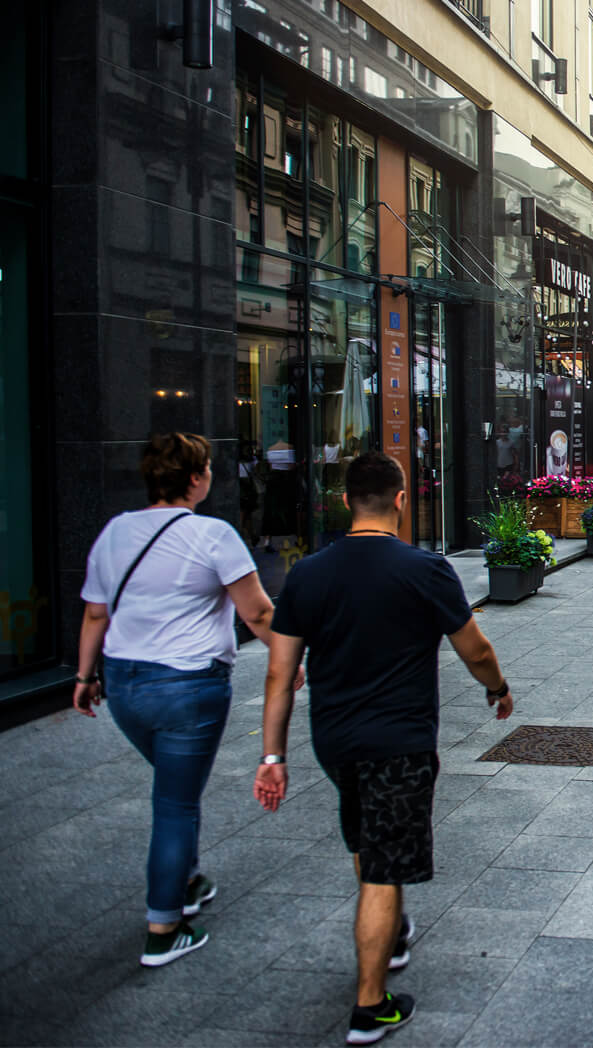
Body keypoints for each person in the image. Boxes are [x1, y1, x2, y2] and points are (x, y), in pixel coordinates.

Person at [254, 452, 513, 1044]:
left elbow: (279, 674)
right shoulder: (425, 569)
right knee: (382, 865)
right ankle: (371, 1006)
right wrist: (497, 689)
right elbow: (474, 649)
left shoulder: (309, 574)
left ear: (346, 502)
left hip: (335, 740)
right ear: (401, 500)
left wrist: (273, 757)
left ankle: (389, 932)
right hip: (399, 739)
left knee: (368, 838)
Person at [74, 432, 283, 967]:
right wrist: (289, 660)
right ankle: (164, 926)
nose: (211, 474)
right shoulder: (212, 535)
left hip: (123, 685)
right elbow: (257, 613)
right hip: (189, 686)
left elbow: (96, 613)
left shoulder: (114, 533)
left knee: (173, 788)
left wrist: (83, 677)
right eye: (208, 467)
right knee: (174, 803)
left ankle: (187, 881)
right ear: (194, 478)